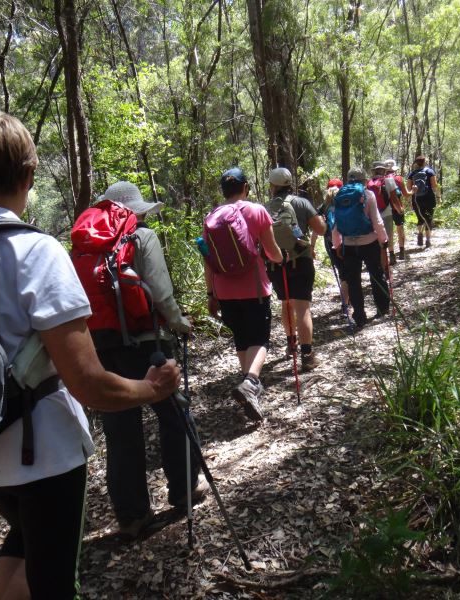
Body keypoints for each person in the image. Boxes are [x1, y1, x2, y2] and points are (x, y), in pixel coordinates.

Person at [0, 113, 181, 600]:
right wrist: (151, 389)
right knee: (53, 581)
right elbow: (88, 382)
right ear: (29, 175)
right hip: (42, 455)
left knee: (25, 542)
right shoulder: (37, 251)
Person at [85, 181, 206, 541]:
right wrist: (178, 321)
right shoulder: (141, 237)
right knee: (174, 411)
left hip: (103, 346)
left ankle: (132, 515)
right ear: (133, 210)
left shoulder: (87, 244)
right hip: (146, 342)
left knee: (121, 429)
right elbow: (160, 289)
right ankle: (184, 490)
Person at [204, 167, 283, 421]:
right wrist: (281, 258)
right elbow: (272, 251)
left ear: (223, 191)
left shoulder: (213, 216)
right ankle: (250, 383)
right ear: (245, 187)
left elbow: (208, 261)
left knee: (241, 338)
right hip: (254, 287)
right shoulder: (256, 210)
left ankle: (250, 389)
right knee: (259, 339)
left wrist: (211, 294)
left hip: (224, 290)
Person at [265, 167, 326, 367]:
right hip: (301, 258)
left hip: (276, 263)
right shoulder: (302, 202)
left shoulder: (265, 208)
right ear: (290, 183)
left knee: (286, 303)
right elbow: (321, 229)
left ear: (272, 186)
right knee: (303, 308)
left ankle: (291, 344)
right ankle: (307, 356)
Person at [331, 167, 390, 330]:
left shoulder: (340, 196)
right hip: (369, 243)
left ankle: (359, 316)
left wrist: (337, 245)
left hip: (349, 245)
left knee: (354, 281)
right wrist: (383, 240)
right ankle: (382, 308)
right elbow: (377, 221)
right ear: (364, 180)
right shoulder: (368, 195)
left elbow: (336, 225)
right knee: (376, 275)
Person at [311, 179, 350, 317]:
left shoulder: (323, 207)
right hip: (348, 241)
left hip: (330, 243)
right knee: (349, 273)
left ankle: (345, 305)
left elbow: (316, 229)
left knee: (343, 273)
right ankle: (347, 305)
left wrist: (312, 246)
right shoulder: (347, 202)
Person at [407, 155, 440, 248]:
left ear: (416, 163)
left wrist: (410, 201)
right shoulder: (430, 171)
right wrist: (438, 197)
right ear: (425, 162)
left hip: (416, 199)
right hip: (429, 197)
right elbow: (434, 186)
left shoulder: (412, 174)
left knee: (420, 218)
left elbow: (408, 188)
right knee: (428, 219)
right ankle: (428, 240)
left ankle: (420, 234)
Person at [368, 161, 398, 266]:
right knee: (388, 234)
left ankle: (380, 261)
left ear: (374, 171)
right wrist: (399, 209)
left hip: (373, 214)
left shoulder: (368, 183)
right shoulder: (389, 180)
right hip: (387, 212)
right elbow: (394, 198)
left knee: (377, 237)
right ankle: (391, 255)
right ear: (384, 170)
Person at [384, 159, 409, 260]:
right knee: (400, 228)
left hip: (385, 209)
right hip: (398, 206)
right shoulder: (398, 179)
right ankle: (402, 252)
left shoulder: (382, 180)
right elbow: (406, 194)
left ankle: (392, 254)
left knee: (389, 231)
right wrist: (413, 191)